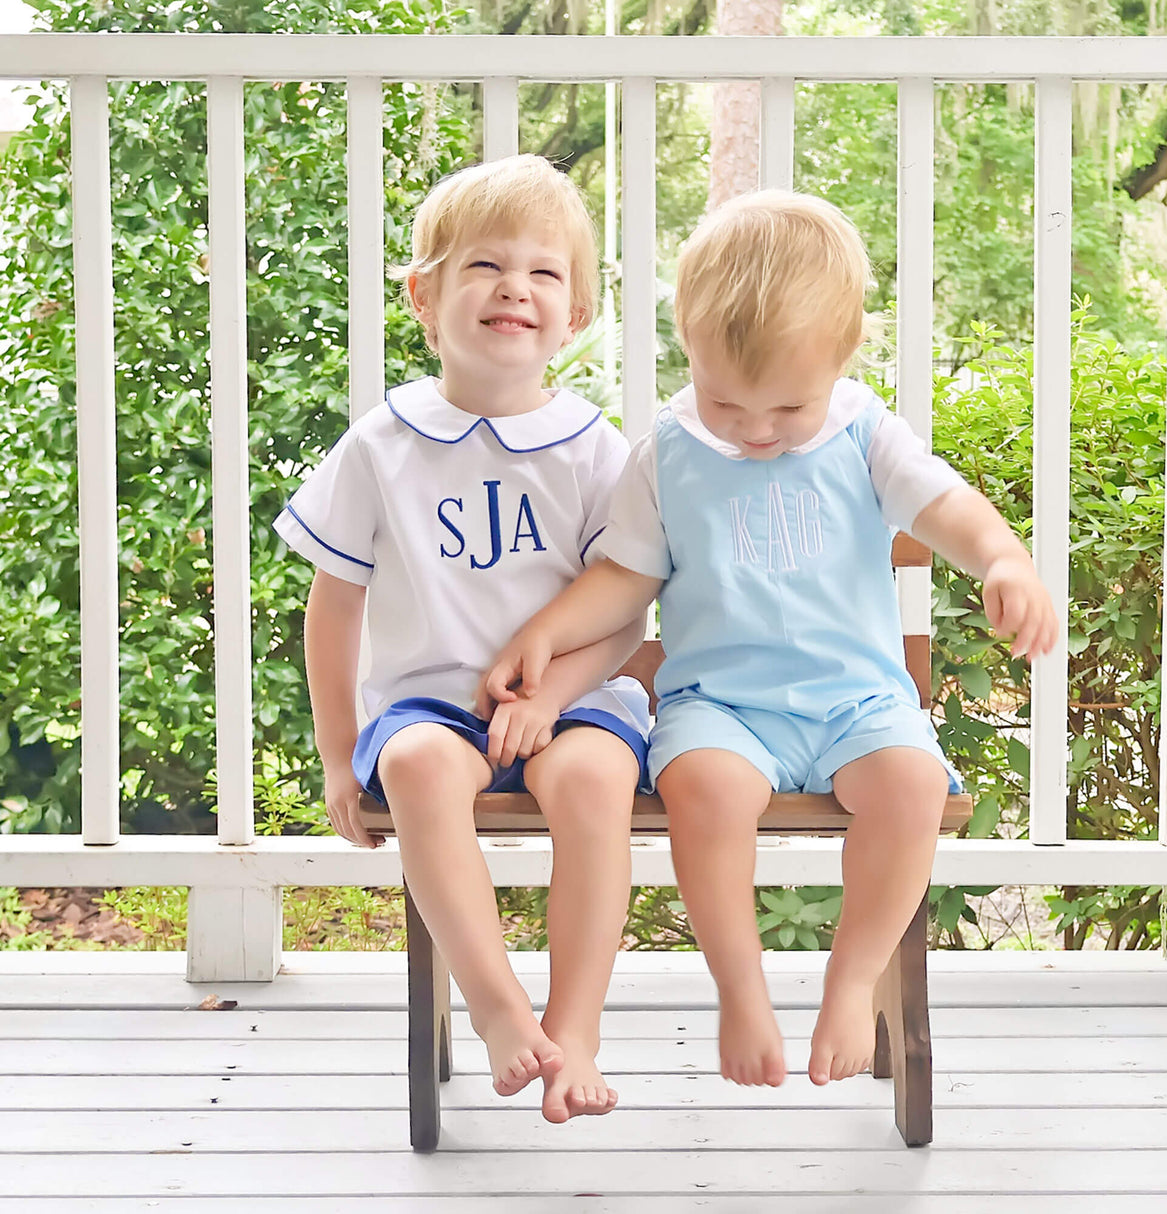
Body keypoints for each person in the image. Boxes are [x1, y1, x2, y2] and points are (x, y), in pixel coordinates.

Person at [481, 190, 1058, 1090]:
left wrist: (1004, 560)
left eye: (785, 409)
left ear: (846, 351)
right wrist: (546, 632)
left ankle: (853, 977)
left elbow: (948, 508)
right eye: (725, 401)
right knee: (705, 796)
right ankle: (741, 988)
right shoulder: (669, 450)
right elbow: (627, 576)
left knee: (908, 789)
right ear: (686, 343)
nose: (753, 431)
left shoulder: (867, 434)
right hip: (722, 705)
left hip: (859, 700)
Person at [274, 155, 650, 1123]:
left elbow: (624, 613)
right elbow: (333, 606)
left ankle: (576, 1030)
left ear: (573, 314)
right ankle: (495, 1007)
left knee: (596, 780)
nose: (514, 286)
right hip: (428, 701)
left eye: (544, 271)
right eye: (483, 265)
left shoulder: (593, 447)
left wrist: (548, 698)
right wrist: (333, 756)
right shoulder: (381, 443)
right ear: (424, 293)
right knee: (417, 765)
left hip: (573, 703)